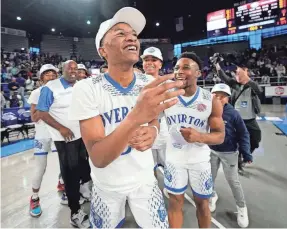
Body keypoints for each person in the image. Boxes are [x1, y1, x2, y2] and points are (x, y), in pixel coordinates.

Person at [69, 7, 184, 228]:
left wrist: (153, 130)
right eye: (120, 33)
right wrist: (133, 119)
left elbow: (153, 119)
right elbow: (99, 157)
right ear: (103, 50)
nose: (131, 37)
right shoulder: (87, 89)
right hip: (107, 186)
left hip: (145, 181)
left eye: (133, 34)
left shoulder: (147, 83)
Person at [163, 52, 225, 228]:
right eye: (176, 68)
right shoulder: (167, 96)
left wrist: (200, 137)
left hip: (200, 160)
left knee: (203, 204)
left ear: (198, 73)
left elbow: (220, 135)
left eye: (185, 67)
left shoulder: (211, 100)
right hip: (174, 158)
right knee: (175, 203)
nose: (179, 71)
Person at [37, 60, 91, 228]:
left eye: (76, 68)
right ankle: (75, 213)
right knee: (71, 175)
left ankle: (83, 195)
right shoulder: (50, 87)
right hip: (66, 140)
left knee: (85, 169)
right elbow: (42, 113)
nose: (73, 71)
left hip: (82, 136)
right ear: (62, 70)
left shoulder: (80, 86)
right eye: (70, 68)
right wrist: (61, 128)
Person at [209, 83, 252, 228]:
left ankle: (242, 208)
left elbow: (243, 133)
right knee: (209, 178)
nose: (219, 99)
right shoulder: (206, 110)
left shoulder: (233, 114)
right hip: (211, 151)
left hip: (229, 153)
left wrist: (246, 153)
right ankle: (212, 195)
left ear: (227, 99)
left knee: (233, 182)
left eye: (223, 97)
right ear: (211, 96)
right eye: (216, 96)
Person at [28, 64, 63, 217]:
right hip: (42, 134)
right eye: (47, 74)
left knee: (64, 162)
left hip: (58, 133)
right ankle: (34, 198)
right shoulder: (36, 93)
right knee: (40, 168)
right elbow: (35, 118)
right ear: (41, 78)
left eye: (53, 73)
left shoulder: (62, 92)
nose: (51, 76)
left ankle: (62, 183)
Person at [215, 62, 262, 171]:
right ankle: (238, 161)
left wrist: (247, 79)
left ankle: (244, 153)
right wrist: (217, 65)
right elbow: (224, 77)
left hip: (250, 119)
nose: (237, 74)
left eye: (239, 72)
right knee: (235, 140)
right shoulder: (235, 85)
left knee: (256, 139)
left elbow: (259, 91)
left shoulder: (252, 85)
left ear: (246, 72)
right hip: (237, 120)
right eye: (236, 73)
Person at [141, 47, 168, 177]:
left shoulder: (168, 83)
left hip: (164, 128)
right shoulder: (135, 82)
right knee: (148, 166)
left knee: (169, 163)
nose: (150, 62)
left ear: (160, 64)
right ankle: (153, 191)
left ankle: (172, 189)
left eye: (154, 60)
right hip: (144, 128)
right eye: (146, 59)